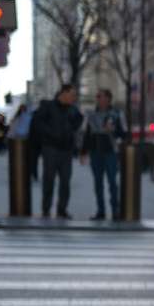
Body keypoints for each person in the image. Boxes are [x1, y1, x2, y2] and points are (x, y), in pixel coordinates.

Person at [28, 84, 83, 218]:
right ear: (63, 93)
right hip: (50, 149)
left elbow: (79, 120)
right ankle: (46, 209)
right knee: (49, 180)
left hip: (66, 150)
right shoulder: (48, 106)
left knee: (65, 181)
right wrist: (50, 134)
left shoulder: (73, 109)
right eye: (72, 95)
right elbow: (37, 123)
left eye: (74, 95)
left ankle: (62, 209)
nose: (74, 98)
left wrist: (71, 131)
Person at [80, 89, 128, 220]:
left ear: (108, 98)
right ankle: (100, 211)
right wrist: (83, 152)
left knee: (113, 182)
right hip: (95, 153)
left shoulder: (117, 114)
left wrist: (114, 131)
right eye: (97, 96)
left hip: (111, 153)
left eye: (100, 96)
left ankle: (115, 211)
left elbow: (124, 134)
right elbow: (87, 135)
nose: (98, 99)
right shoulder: (91, 114)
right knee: (98, 183)